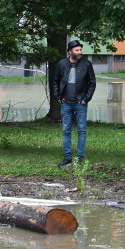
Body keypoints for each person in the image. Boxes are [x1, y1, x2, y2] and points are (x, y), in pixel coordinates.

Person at [51, 40, 96, 168]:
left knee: (82, 130)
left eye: (80, 50)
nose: (79, 52)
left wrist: (86, 99)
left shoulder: (86, 64)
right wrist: (58, 97)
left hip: (80, 102)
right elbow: (55, 81)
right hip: (66, 103)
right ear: (70, 52)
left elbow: (92, 83)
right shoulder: (62, 64)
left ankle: (80, 157)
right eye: (77, 50)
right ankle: (67, 158)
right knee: (66, 130)